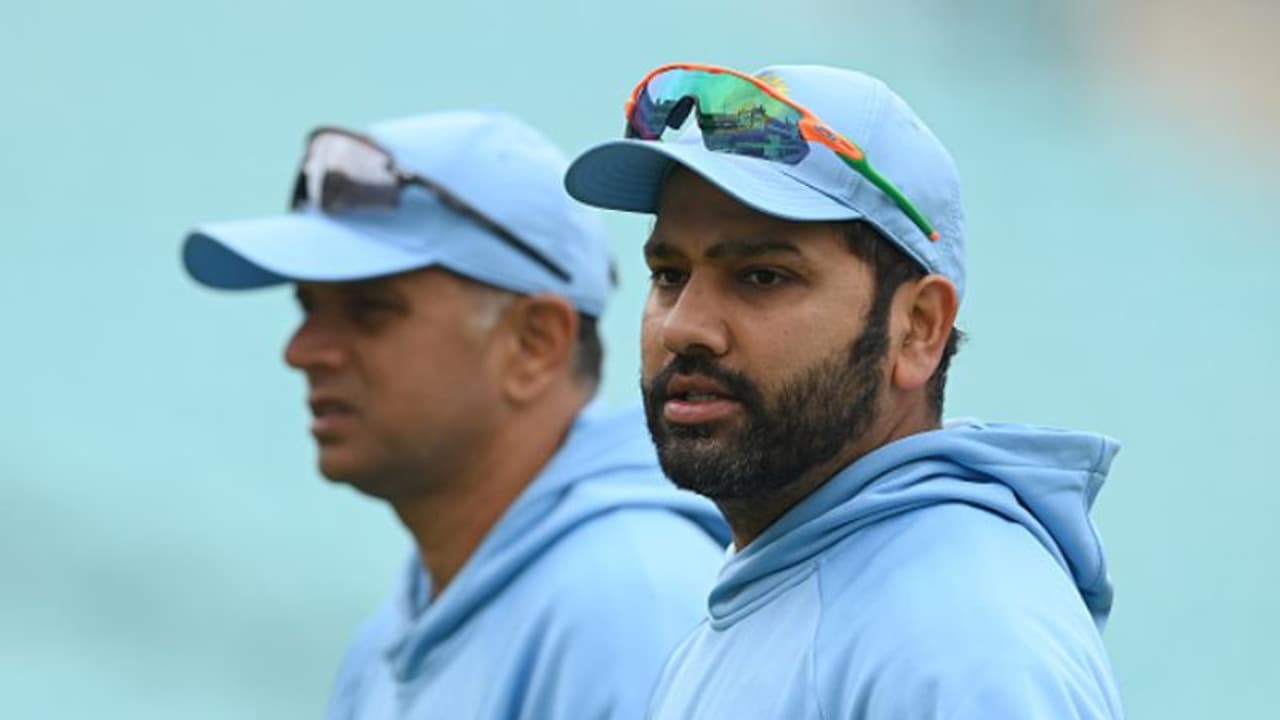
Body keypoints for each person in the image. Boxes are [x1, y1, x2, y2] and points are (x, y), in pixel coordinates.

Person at [565, 63, 1124, 718]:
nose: (684, 327)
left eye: (762, 276)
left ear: (918, 328)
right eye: (669, 274)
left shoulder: (956, 644)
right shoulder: (786, 589)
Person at [182, 110, 728, 719]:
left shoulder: (624, 609)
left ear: (534, 343)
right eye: (308, 306)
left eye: (370, 311)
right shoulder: (399, 631)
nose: (302, 351)